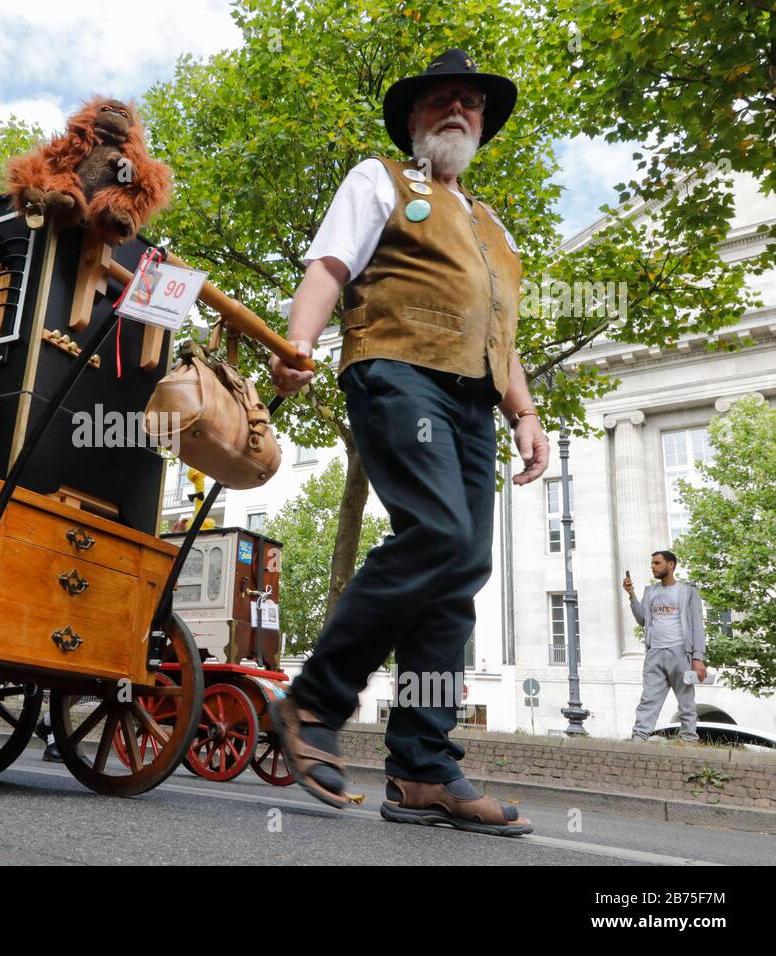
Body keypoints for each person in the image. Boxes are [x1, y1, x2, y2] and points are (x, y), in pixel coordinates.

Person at [266, 50, 548, 836]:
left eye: (471, 103)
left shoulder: (492, 225)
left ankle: (423, 767)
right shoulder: (381, 180)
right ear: (415, 120)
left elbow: (502, 335)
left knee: (460, 568)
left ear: (483, 125)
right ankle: (313, 702)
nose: (458, 110)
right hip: (398, 373)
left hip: (475, 401)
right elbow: (330, 264)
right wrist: (300, 344)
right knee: (438, 533)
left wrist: (525, 414)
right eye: (441, 101)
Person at [625, 550, 707, 743]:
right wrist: (632, 595)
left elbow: (697, 625)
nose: (653, 567)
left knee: (686, 702)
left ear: (671, 565)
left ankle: (688, 739)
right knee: (648, 699)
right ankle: (639, 739)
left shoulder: (687, 591)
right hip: (654, 653)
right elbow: (643, 620)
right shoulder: (651, 591)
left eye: (657, 563)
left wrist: (698, 658)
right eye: (652, 563)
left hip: (680, 652)